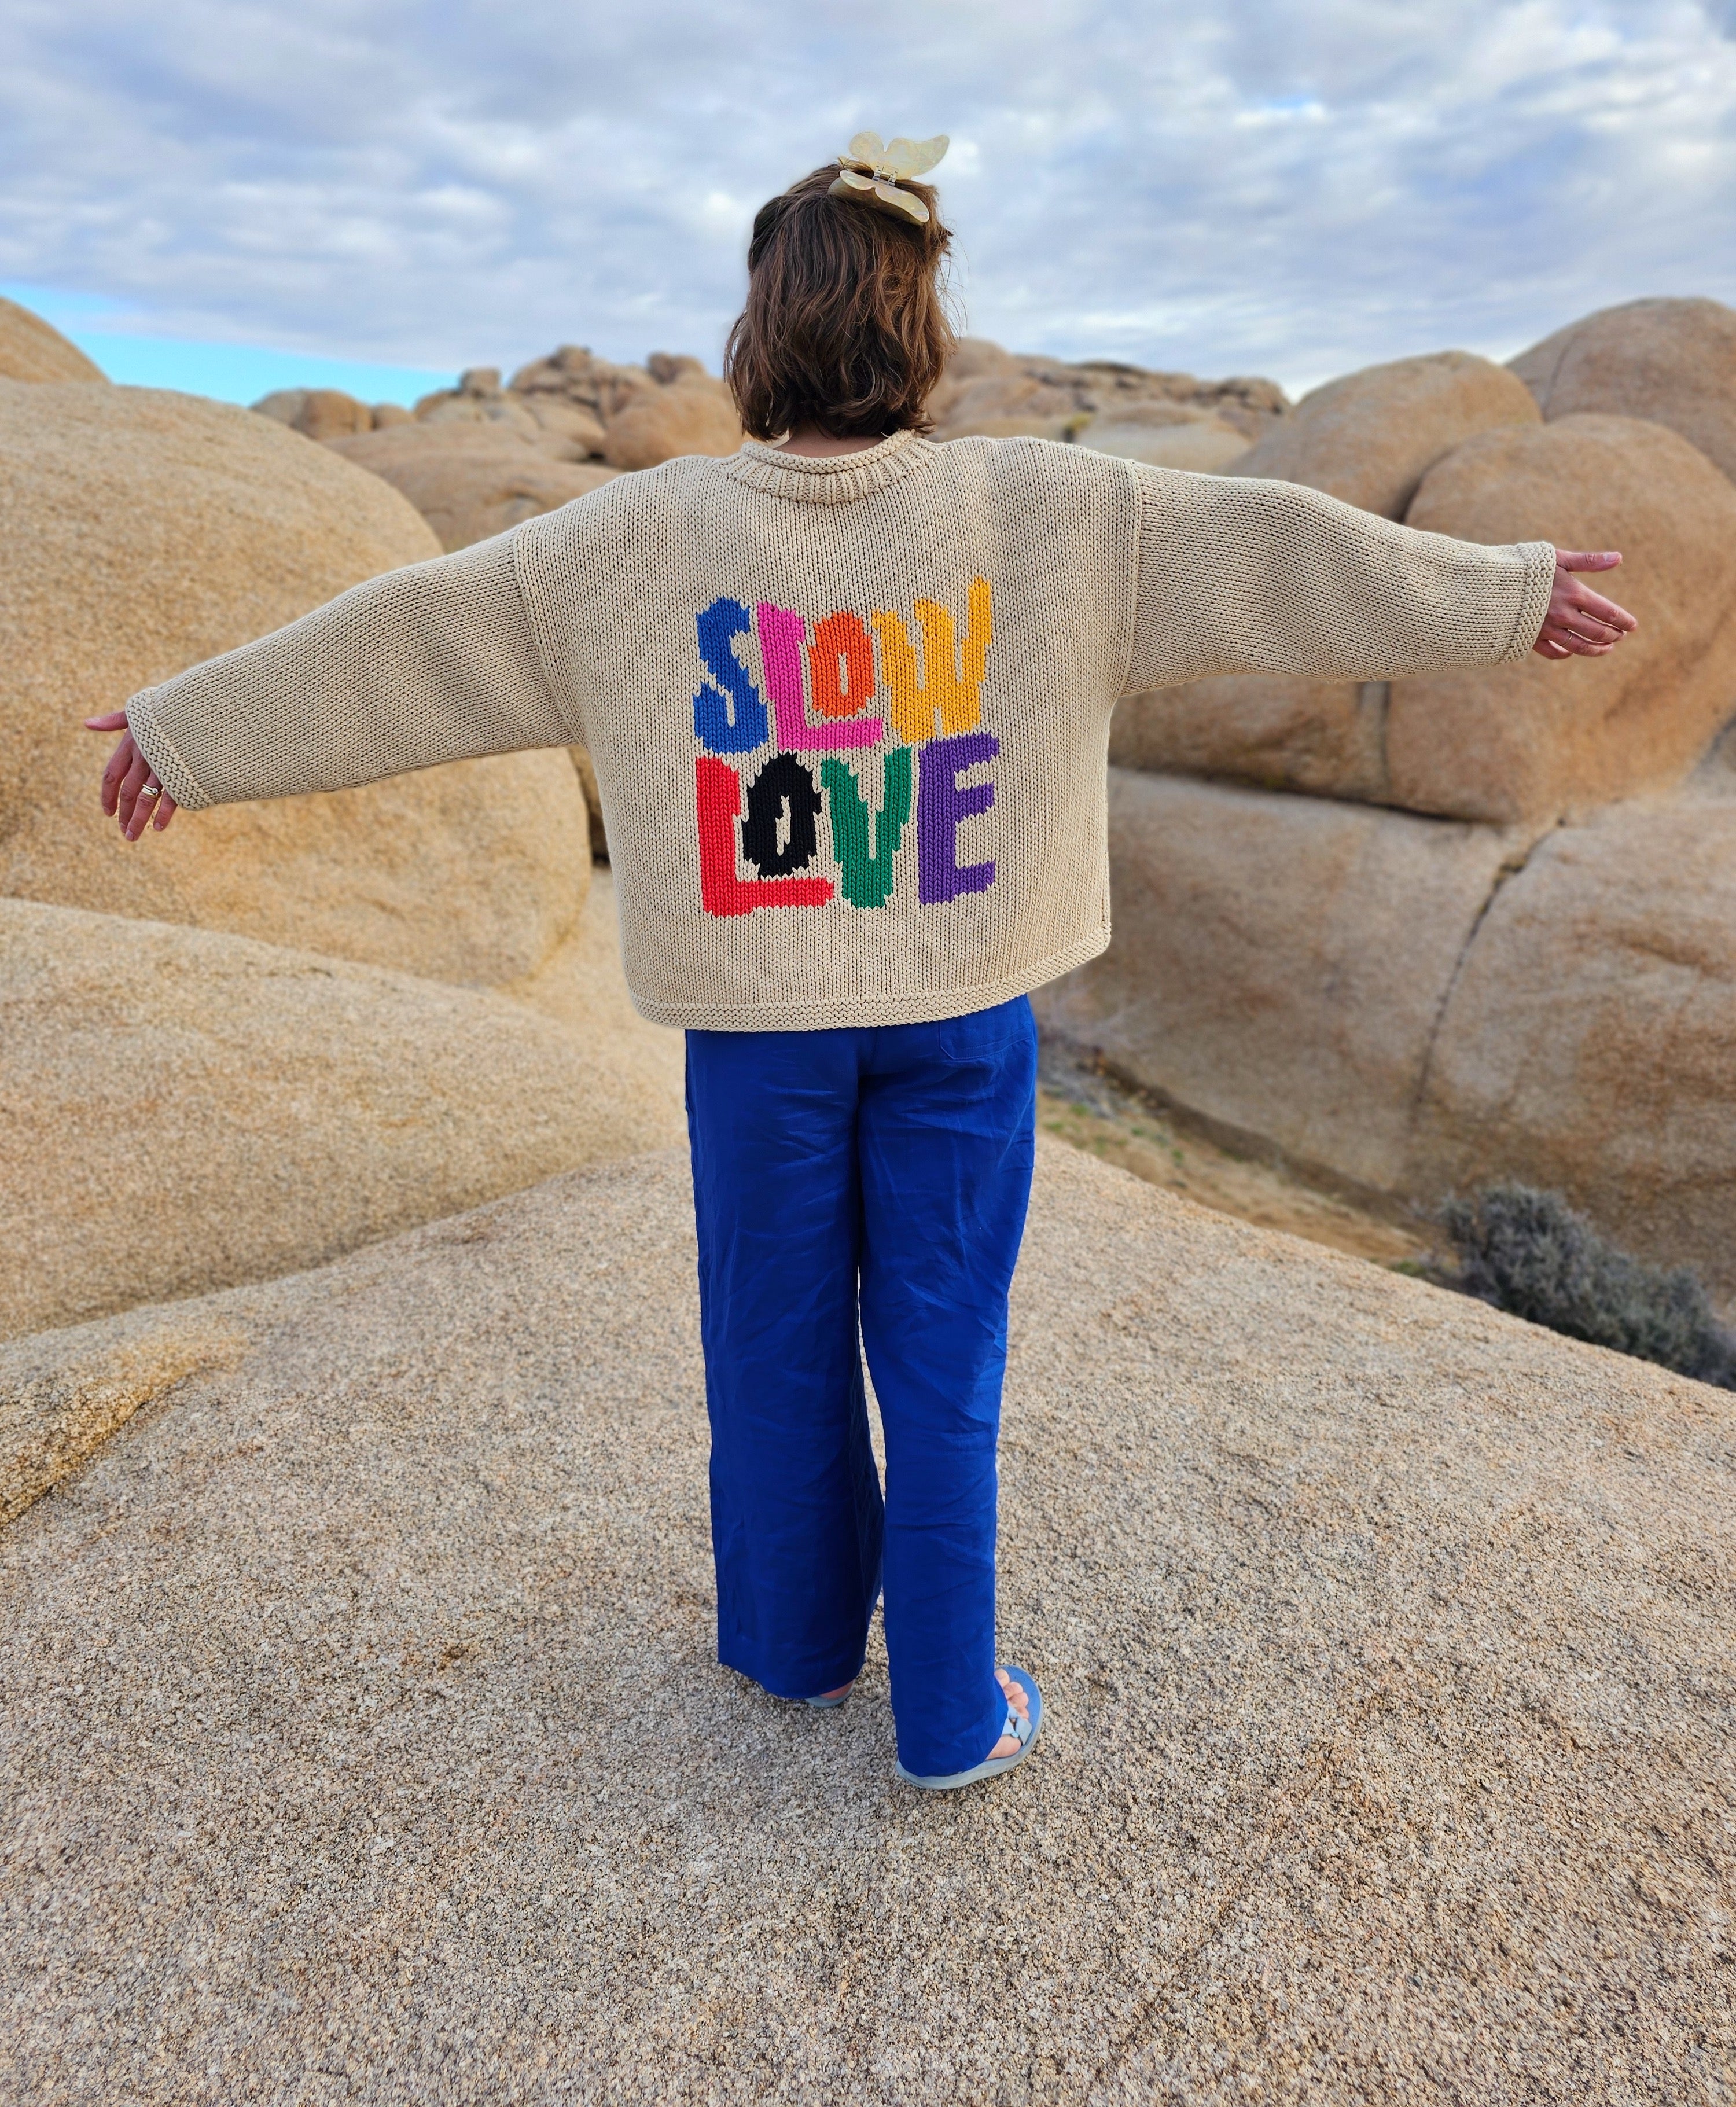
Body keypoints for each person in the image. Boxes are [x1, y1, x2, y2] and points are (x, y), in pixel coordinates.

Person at [89, 139, 1636, 1792]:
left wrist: (191, 734)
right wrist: (1501, 596)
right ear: (918, 327)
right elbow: (1273, 559)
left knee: (772, 1341)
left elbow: (413, 639)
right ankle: (952, 1713)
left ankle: (799, 1646)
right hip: (964, 1012)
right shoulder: (1056, 508)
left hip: (757, 1032)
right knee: (943, 1356)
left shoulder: (630, 541)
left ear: (761, 330)